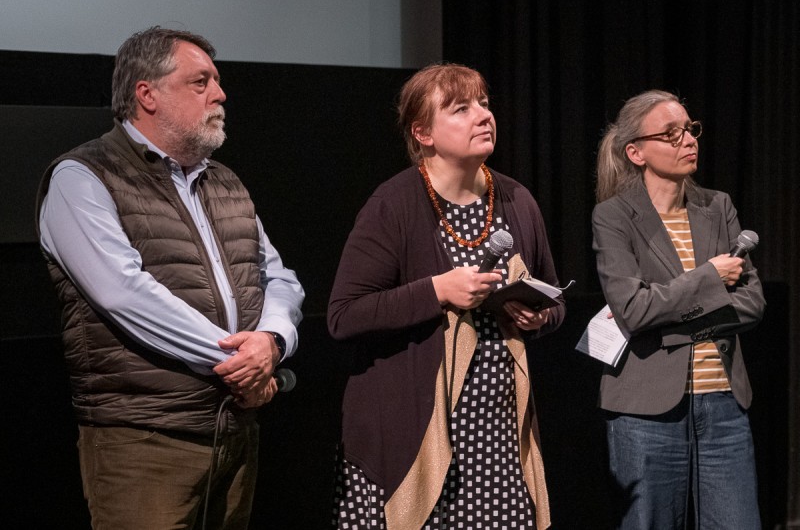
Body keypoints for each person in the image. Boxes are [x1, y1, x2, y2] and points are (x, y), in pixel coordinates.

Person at [35, 27, 304, 529]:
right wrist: (241, 363)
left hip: (233, 428)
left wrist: (271, 341)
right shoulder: (83, 177)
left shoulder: (223, 181)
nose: (219, 94)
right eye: (201, 81)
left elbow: (279, 277)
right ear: (147, 94)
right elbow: (124, 293)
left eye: (218, 81)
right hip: (146, 440)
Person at [328, 63, 565, 529]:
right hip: (413, 436)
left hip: (496, 440)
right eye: (461, 108)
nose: (483, 116)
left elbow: (555, 300)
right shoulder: (393, 203)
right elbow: (343, 315)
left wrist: (536, 316)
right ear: (424, 133)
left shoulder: (518, 200)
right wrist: (438, 290)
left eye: (484, 103)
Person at [592, 90, 766, 529]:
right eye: (670, 134)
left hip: (724, 405)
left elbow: (751, 303)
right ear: (636, 152)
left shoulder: (718, 206)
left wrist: (669, 320)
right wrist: (708, 277)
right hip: (646, 411)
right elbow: (632, 309)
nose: (687, 139)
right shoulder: (613, 217)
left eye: (689, 129)